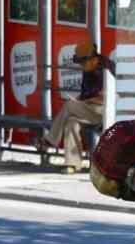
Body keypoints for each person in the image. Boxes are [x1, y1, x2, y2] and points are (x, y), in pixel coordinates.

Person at [48, 41, 115, 172]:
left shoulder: (106, 69)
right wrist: (81, 100)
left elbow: (105, 98)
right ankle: (72, 164)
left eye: (83, 63)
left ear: (93, 59)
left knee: (68, 106)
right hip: (91, 111)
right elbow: (86, 94)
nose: (81, 66)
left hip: (104, 112)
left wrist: (83, 102)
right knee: (71, 123)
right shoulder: (89, 69)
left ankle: (50, 140)